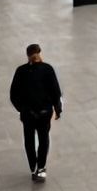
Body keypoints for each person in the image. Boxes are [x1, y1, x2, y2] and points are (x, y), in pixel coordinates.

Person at [9, 43, 62, 182]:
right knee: (44, 140)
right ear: (40, 53)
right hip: (44, 112)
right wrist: (58, 110)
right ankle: (41, 169)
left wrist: (22, 109)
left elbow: (13, 94)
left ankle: (33, 168)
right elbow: (56, 92)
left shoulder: (20, 71)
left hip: (28, 114)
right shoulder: (48, 69)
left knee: (29, 140)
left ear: (27, 56)